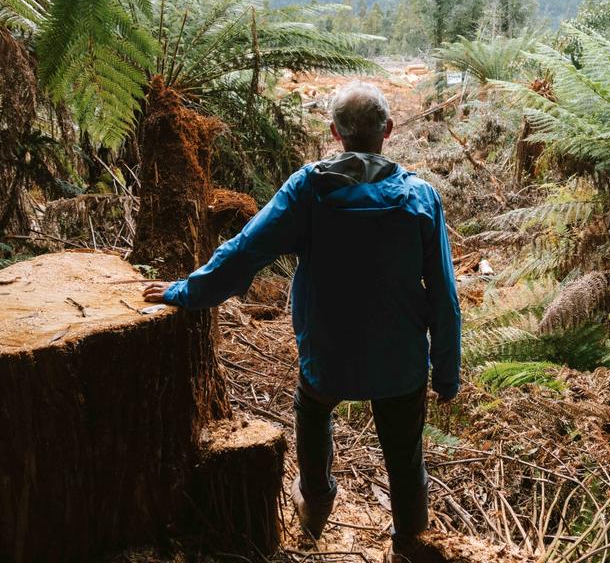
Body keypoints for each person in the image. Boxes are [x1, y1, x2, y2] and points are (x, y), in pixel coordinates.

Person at [143, 81, 461, 561]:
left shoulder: (308, 191)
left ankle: (314, 507)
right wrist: (448, 373)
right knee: (405, 455)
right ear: (388, 131)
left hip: (328, 358)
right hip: (401, 365)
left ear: (334, 132)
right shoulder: (420, 199)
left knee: (313, 411)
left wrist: (186, 292)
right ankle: (410, 541)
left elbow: (244, 253)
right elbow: (444, 295)